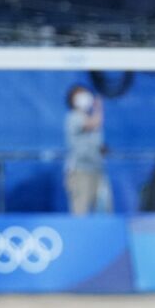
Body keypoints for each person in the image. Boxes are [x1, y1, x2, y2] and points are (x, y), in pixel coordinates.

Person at [64, 84, 111, 215]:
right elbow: (94, 123)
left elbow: (96, 141)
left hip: (97, 169)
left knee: (104, 209)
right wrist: (99, 107)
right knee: (81, 211)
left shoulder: (90, 117)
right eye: (80, 95)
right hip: (80, 171)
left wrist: (101, 149)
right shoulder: (73, 117)